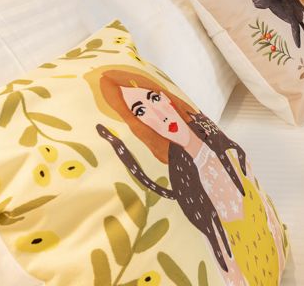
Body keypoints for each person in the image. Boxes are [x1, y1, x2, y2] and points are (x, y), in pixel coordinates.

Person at [91, 68, 286, 286]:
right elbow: (222, 257)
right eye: (141, 111)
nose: (159, 114)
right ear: (138, 125)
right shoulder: (184, 179)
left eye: (154, 98)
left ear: (167, 97)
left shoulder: (216, 141)